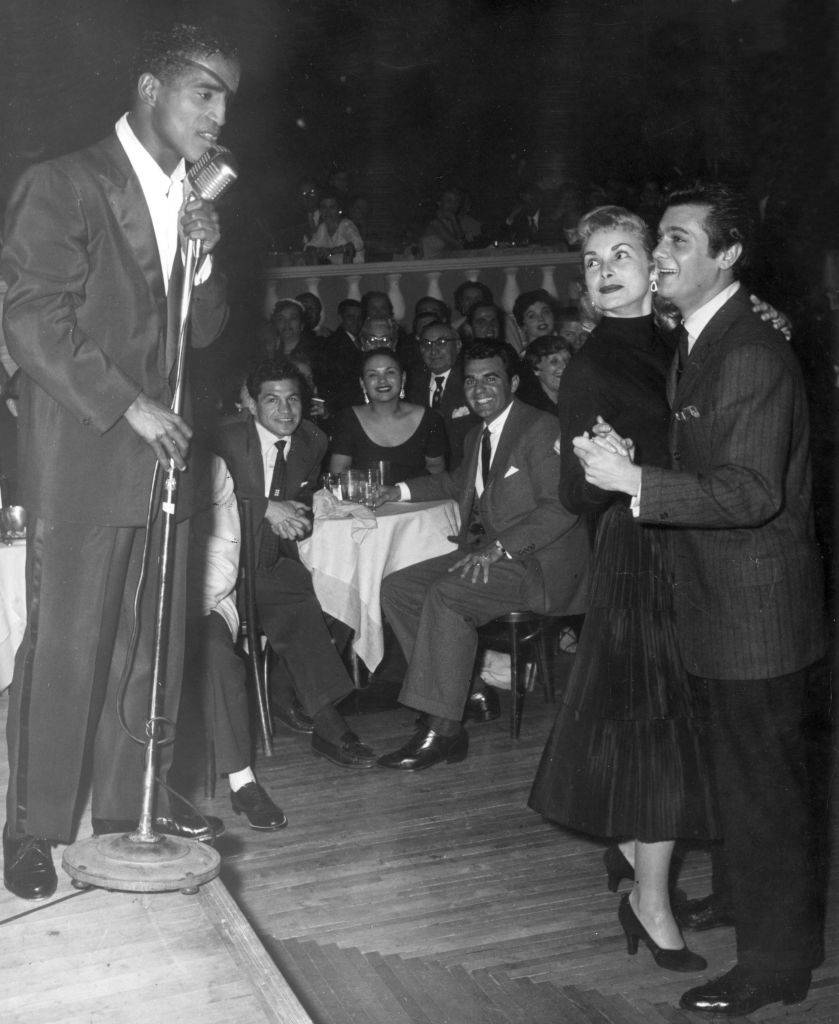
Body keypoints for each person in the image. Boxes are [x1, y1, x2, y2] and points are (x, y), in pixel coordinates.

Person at [572, 184, 828, 1016]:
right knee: (739, 785)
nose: (663, 255)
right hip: (717, 604)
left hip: (753, 614)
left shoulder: (745, 350)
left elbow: (750, 490)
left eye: (679, 241)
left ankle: (775, 967)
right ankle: (744, 903)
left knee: (765, 799)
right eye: (664, 241)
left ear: (726, 257)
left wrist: (633, 479)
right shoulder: (699, 339)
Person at [1, 23, 239, 900]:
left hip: (164, 460)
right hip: (87, 451)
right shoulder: (64, 183)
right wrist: (129, 405)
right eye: (204, 92)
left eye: (226, 101)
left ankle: (124, 802)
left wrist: (205, 260)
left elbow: (202, 334)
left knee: (149, 643)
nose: (218, 116)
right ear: (150, 87)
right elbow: (29, 321)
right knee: (68, 645)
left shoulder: (190, 199)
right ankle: (30, 826)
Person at [528, 206, 717, 975]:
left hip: (691, 545)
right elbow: (576, 496)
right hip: (638, 556)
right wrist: (612, 468)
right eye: (591, 263)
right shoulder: (592, 366)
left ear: (652, 266)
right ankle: (650, 902)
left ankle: (634, 860)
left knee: (660, 726)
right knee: (657, 732)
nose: (603, 270)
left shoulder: (681, 342)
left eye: (620, 255)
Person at [375, 339, 590, 770]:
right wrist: (395, 490)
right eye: (470, 381)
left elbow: (563, 506)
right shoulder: (479, 434)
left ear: (512, 382)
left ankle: (445, 729)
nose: (479, 390)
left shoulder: (541, 428)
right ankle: (463, 689)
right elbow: (457, 483)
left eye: (490, 378)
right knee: (398, 587)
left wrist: (499, 547)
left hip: (537, 565)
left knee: (447, 595)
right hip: (493, 557)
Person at [214, 359, 377, 770]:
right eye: (272, 400)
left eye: (293, 399)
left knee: (345, 590)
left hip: (274, 557)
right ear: (250, 404)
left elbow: (299, 504)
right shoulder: (223, 439)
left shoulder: (312, 440)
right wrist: (265, 507)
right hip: (220, 562)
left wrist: (298, 516)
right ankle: (330, 725)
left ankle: (286, 693)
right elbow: (205, 502)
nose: (285, 411)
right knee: (295, 599)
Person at [185, 451, 287, 831]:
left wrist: (182, 606)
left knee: (213, 654)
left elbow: (223, 562)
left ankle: (242, 780)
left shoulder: (210, 468)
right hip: (140, 604)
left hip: (204, 601)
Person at [329, 348, 446, 483]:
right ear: (363, 383)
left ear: (403, 378)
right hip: (363, 502)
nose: (382, 380)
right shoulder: (347, 419)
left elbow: (437, 475)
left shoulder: (429, 419)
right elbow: (338, 474)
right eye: (373, 375)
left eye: (390, 372)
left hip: (418, 502)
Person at [404, 321, 479, 469]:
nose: (433, 350)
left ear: (458, 346)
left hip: (466, 471)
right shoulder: (411, 383)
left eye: (442, 342)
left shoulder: (472, 381)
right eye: (426, 344)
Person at [516, 334, 573, 414]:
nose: (564, 366)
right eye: (554, 361)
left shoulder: (578, 398)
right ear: (535, 369)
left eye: (567, 360)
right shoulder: (531, 409)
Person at [304, 191, 365, 264]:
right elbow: (310, 246)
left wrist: (332, 251)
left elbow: (358, 244)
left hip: (355, 272)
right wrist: (316, 250)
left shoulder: (346, 225)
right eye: (324, 207)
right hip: (334, 272)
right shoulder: (322, 228)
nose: (327, 212)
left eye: (332, 207)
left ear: (339, 210)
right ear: (320, 210)